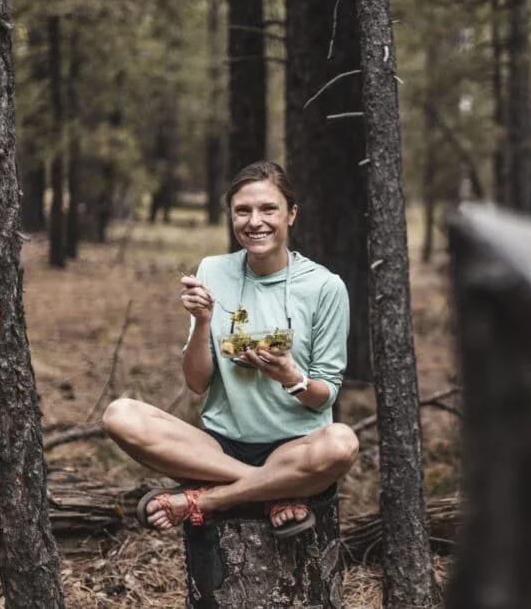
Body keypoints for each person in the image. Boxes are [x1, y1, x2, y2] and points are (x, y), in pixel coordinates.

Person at [103, 161, 359, 536]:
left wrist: (291, 376)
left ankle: (207, 500)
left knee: (342, 443)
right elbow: (196, 383)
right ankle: (273, 490)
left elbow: (325, 396)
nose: (255, 222)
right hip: (219, 449)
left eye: (268, 209)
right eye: (243, 211)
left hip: (293, 449)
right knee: (120, 415)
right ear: (231, 216)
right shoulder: (212, 270)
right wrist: (203, 321)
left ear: (291, 214)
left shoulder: (324, 287)